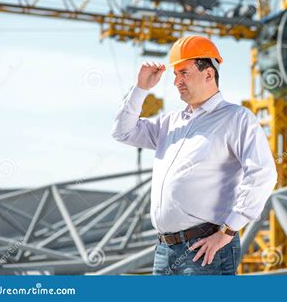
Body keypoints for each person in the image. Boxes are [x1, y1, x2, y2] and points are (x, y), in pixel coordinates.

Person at [111, 35, 277, 275]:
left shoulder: (236, 118)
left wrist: (228, 232)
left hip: (205, 250)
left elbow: (263, 174)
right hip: (164, 250)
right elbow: (122, 132)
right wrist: (140, 89)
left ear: (209, 74)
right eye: (175, 74)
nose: (176, 81)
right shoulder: (171, 123)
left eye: (184, 73)